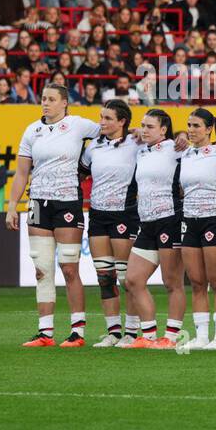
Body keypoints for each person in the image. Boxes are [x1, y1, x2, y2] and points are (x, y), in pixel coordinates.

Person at [6, 84, 101, 346]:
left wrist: (137, 134)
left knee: (69, 268)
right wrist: (13, 205)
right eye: (43, 99)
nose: (45, 103)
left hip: (67, 202)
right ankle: (45, 332)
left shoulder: (78, 125)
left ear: (64, 103)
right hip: (38, 203)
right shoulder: (31, 131)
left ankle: (77, 332)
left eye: (51, 99)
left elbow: (111, 131)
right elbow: (22, 173)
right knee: (41, 269)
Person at [124, 109, 187, 348]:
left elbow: (204, 151)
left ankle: (171, 336)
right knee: (133, 280)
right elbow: (123, 133)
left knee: (172, 282)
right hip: (146, 222)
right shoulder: (141, 151)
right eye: (143, 125)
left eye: (151, 126)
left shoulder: (176, 149)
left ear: (164, 129)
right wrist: (135, 131)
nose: (145, 130)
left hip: (169, 220)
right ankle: (148, 335)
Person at [81, 99, 139, 347]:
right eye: (101, 117)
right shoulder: (93, 146)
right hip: (97, 215)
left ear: (122, 121)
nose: (101, 122)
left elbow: (168, 146)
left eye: (107, 118)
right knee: (105, 277)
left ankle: (132, 332)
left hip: (124, 214)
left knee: (127, 278)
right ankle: (113, 331)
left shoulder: (137, 143)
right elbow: (80, 173)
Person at [178, 107, 216, 350]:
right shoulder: (184, 154)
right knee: (197, 282)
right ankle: (201, 336)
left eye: (196, 126)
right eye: (189, 125)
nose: (191, 130)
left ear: (209, 129)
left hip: (214, 219)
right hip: (189, 221)